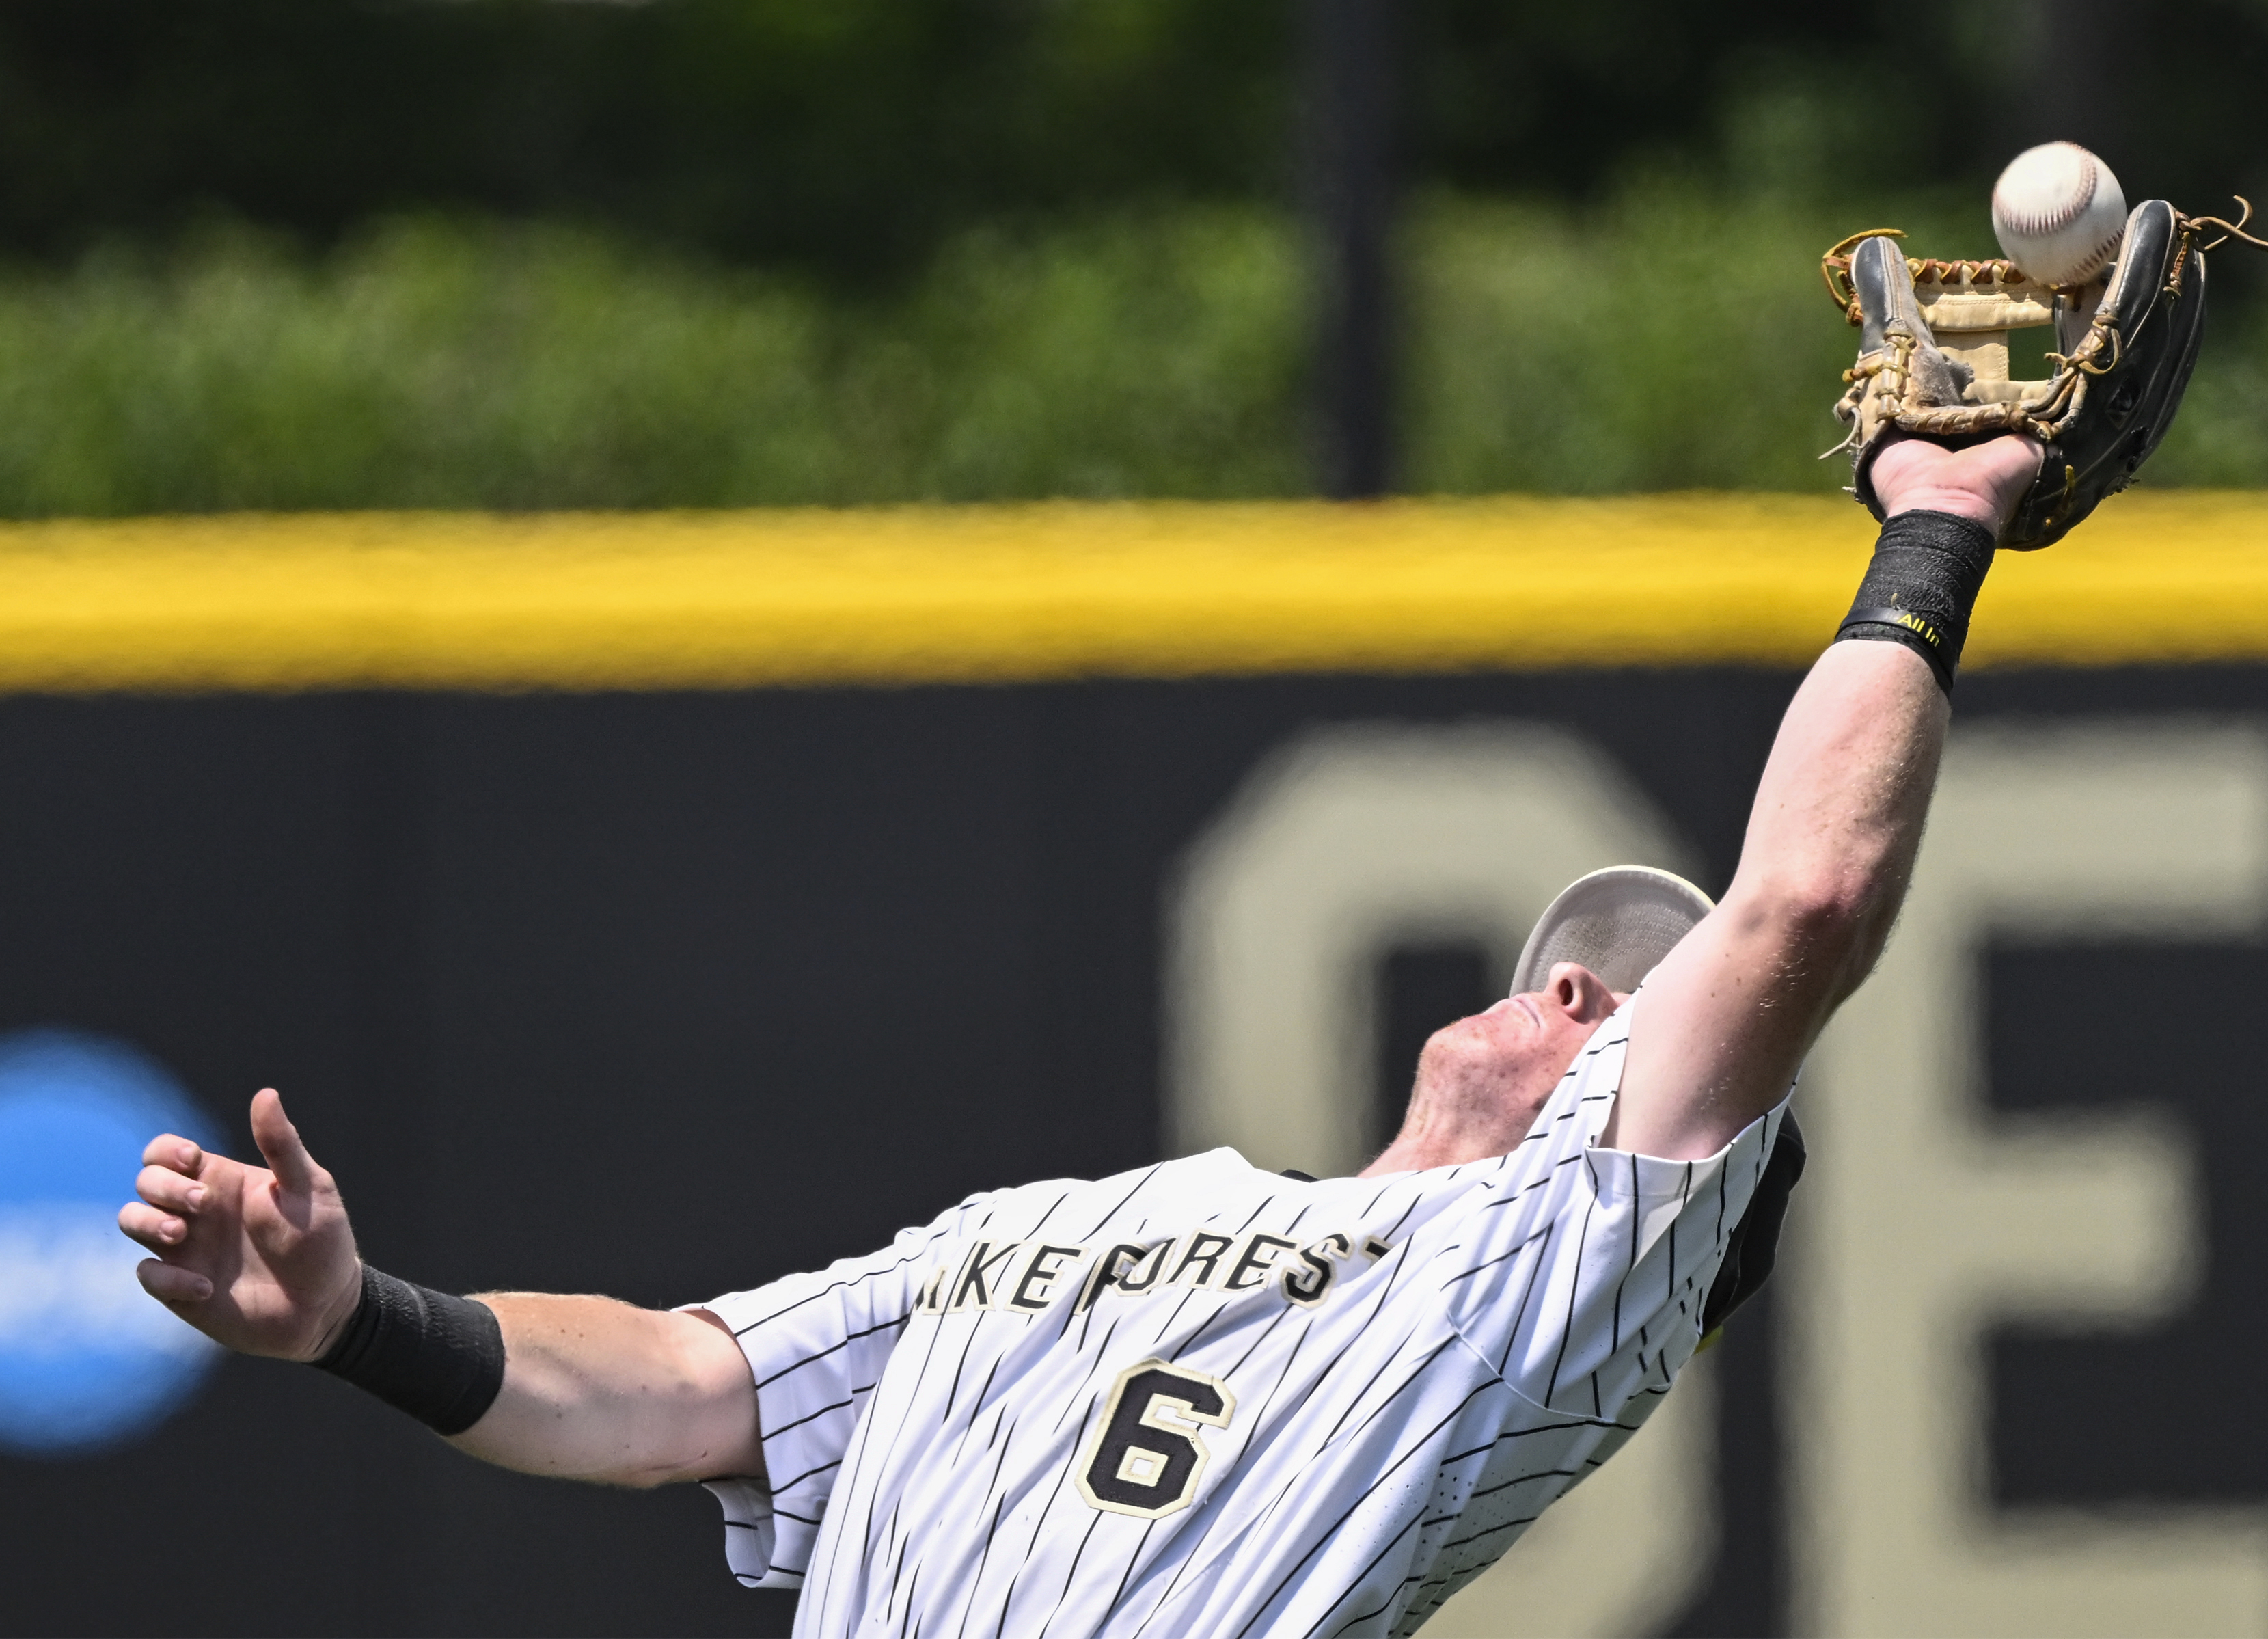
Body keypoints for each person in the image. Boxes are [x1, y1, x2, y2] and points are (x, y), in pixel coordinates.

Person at [120, 433, 2040, 1637]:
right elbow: (661, 1397)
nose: (1566, 989)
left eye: (1618, 1008)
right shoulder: (1059, 1219)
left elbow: (1803, 906)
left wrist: (1933, 534)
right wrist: (361, 1321)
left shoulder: (1546, 1285)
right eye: (1570, 961)